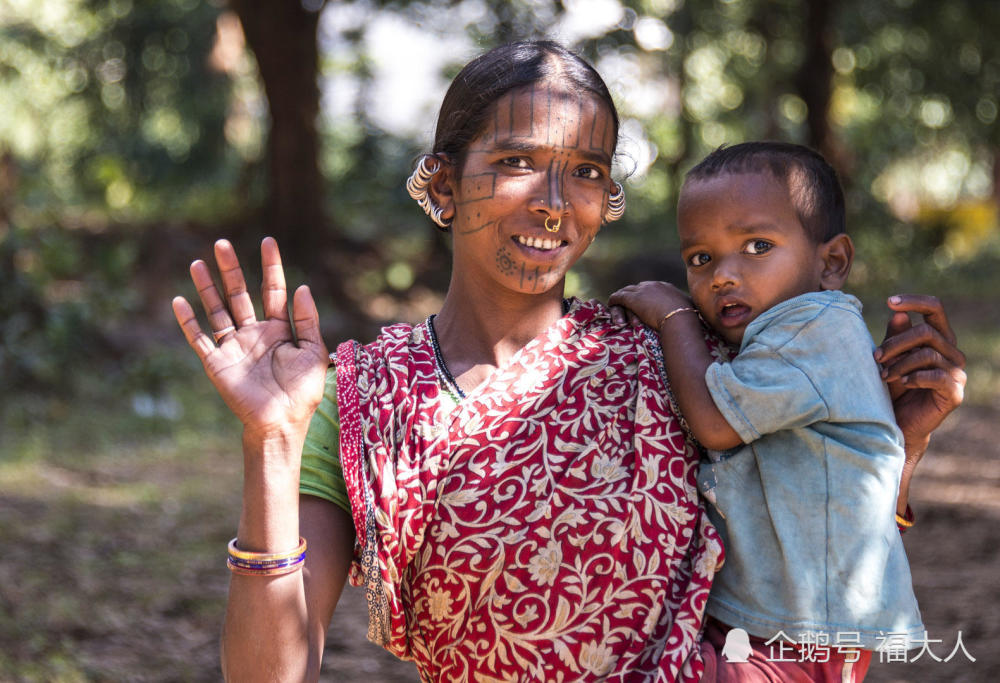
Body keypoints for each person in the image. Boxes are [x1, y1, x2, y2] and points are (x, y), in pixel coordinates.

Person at [171, 42, 966, 682]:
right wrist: (271, 441)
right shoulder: (365, 403)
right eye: (517, 160)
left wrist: (893, 443)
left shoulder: (676, 355)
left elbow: (804, 552)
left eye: (586, 170)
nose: (555, 202)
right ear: (444, 184)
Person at [609, 141, 954, 681]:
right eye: (700, 259)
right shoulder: (777, 336)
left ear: (831, 263)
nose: (722, 276)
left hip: (800, 633)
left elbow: (715, 423)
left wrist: (674, 316)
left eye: (757, 246)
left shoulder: (813, 328)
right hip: (776, 619)